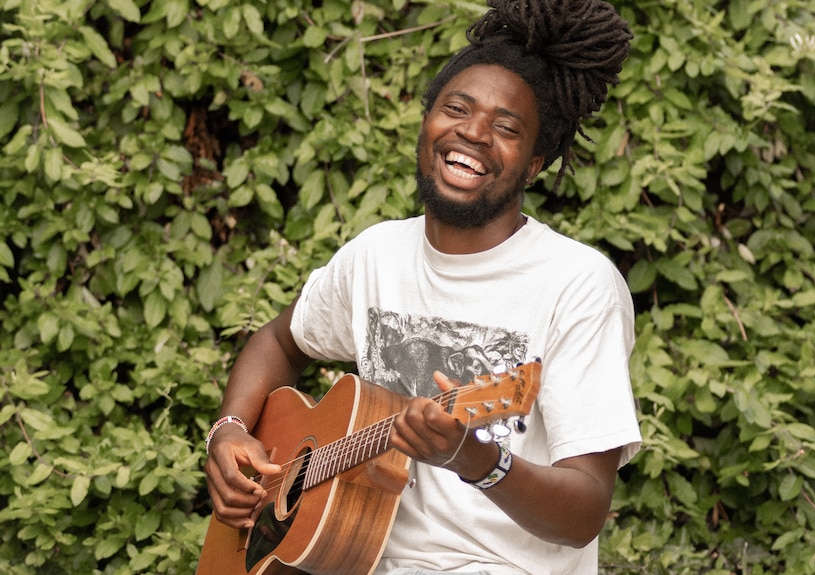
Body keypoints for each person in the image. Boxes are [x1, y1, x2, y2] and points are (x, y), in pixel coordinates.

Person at [204, 1, 641, 573]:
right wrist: (229, 431)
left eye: (507, 128)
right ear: (428, 123)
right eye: (456, 108)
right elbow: (279, 343)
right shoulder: (375, 255)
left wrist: (476, 458)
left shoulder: (579, 285)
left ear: (535, 164)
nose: (475, 132)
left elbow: (583, 511)